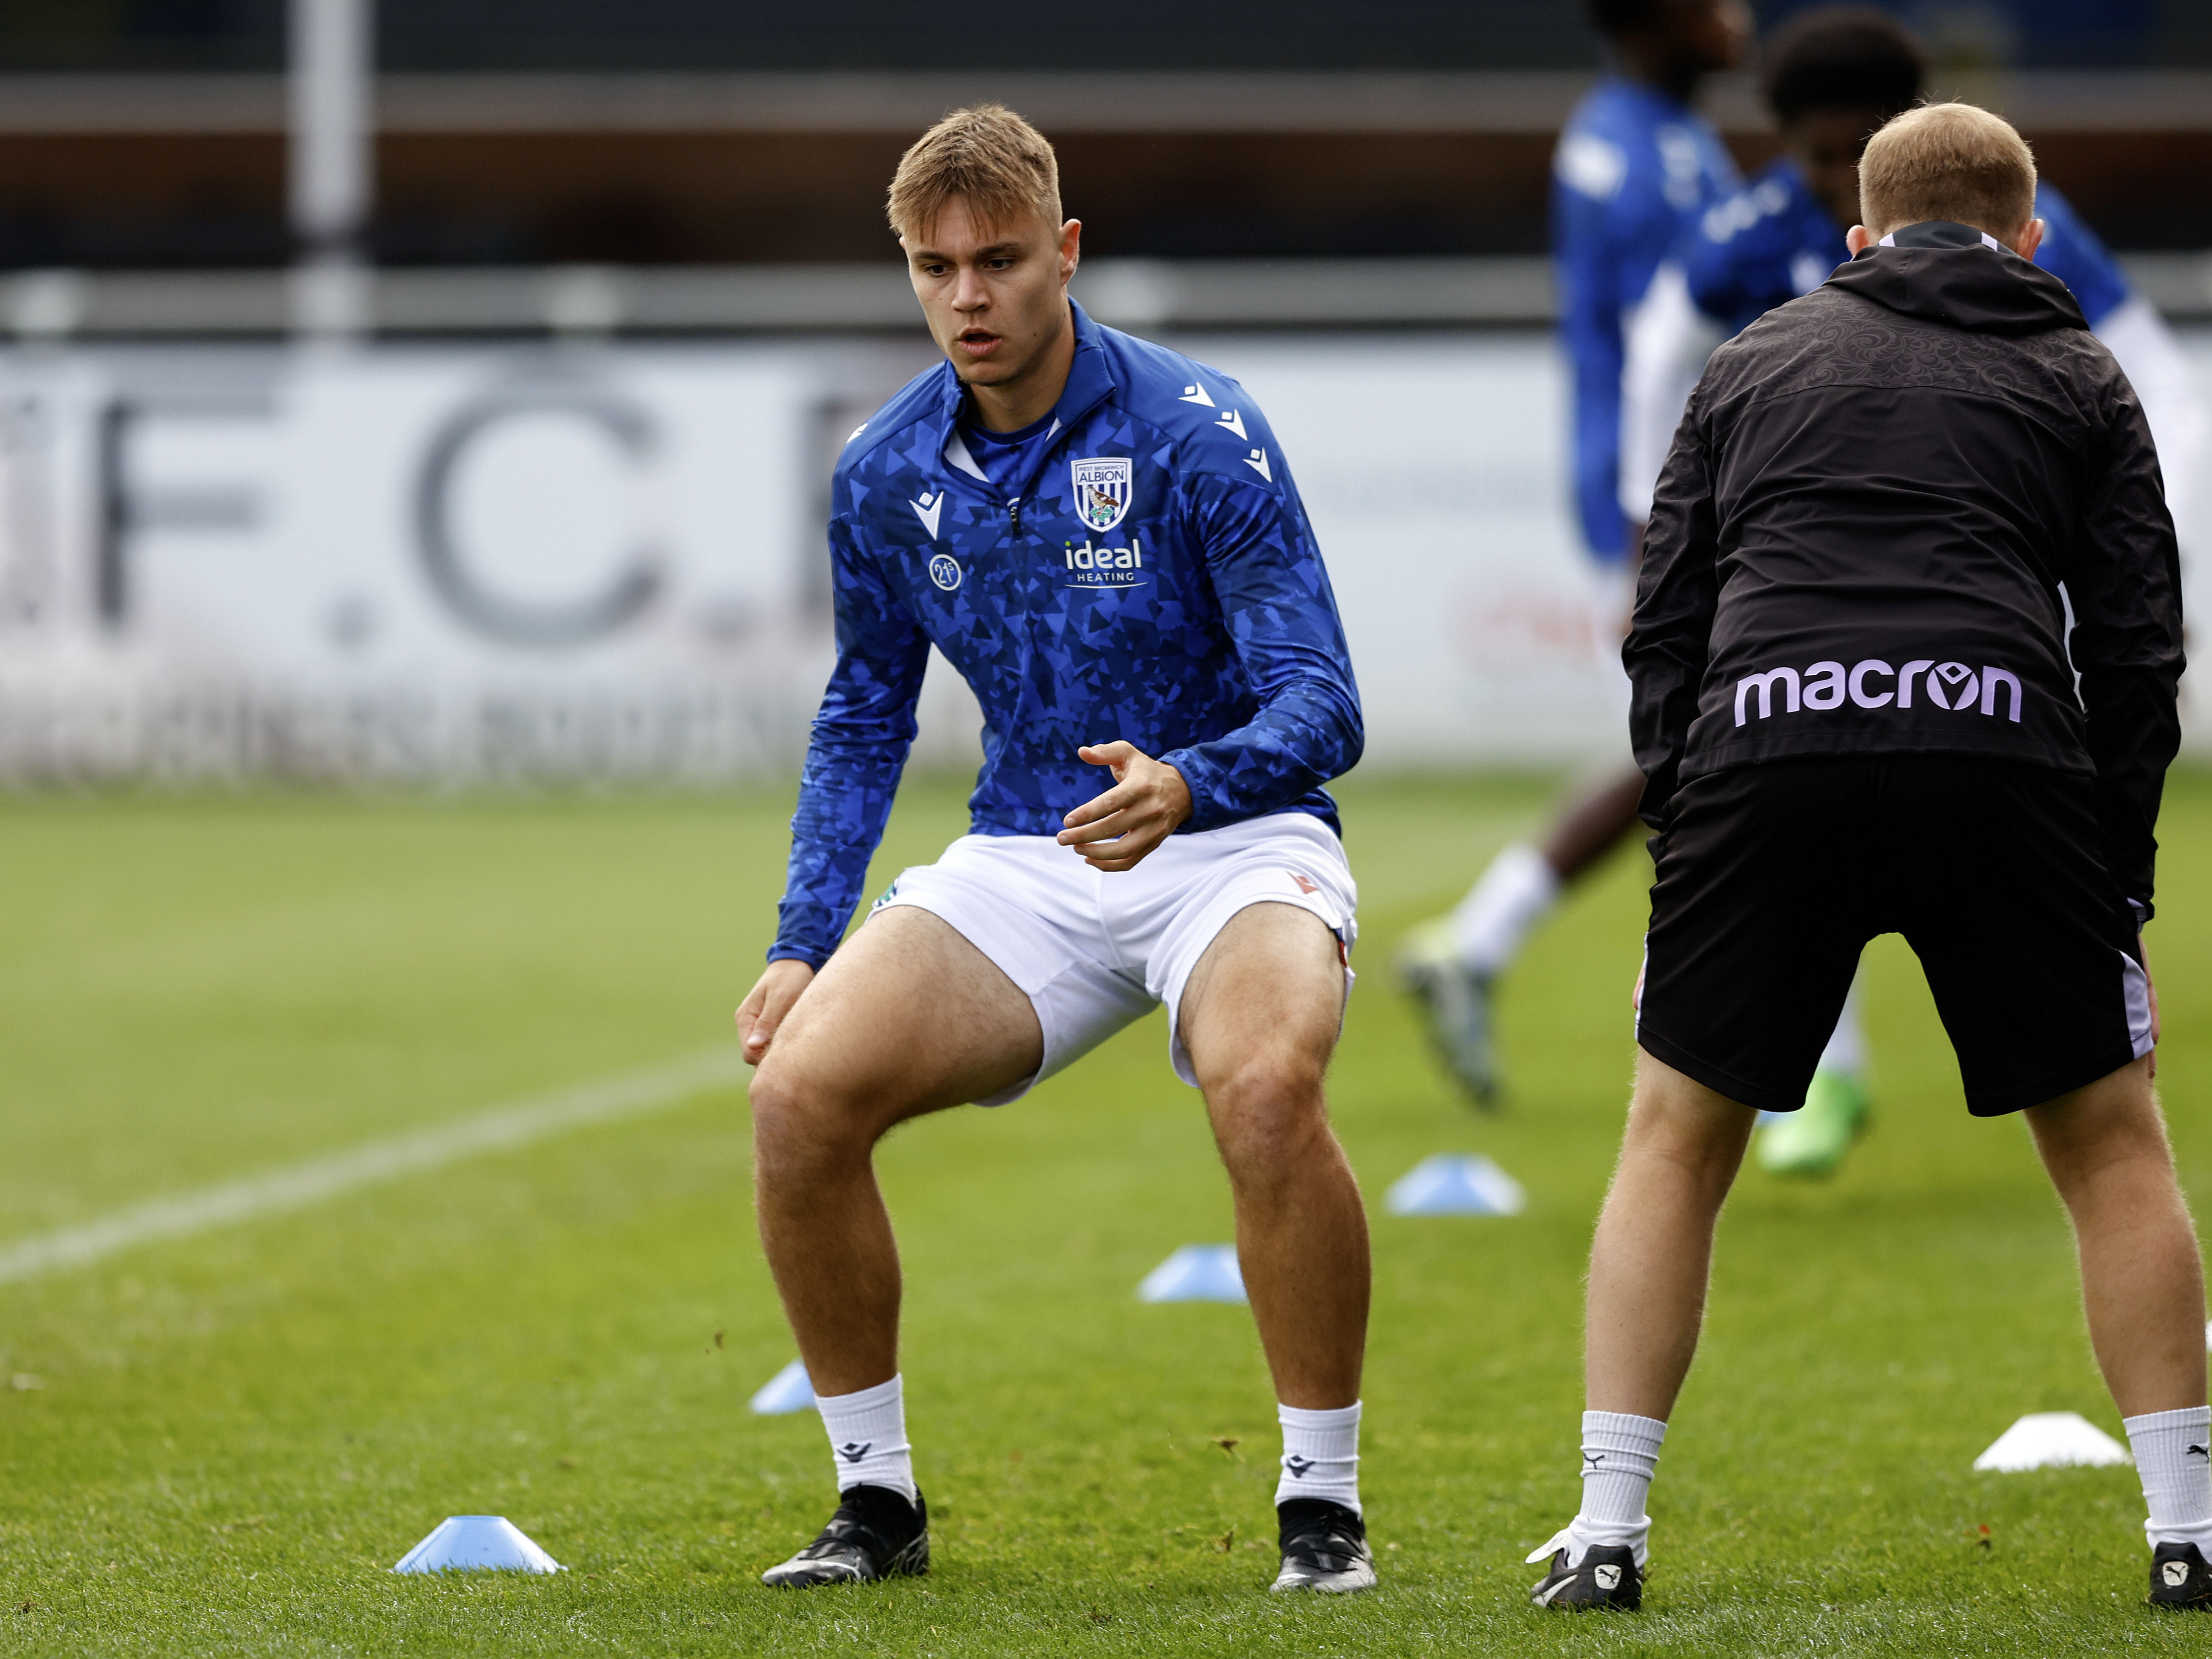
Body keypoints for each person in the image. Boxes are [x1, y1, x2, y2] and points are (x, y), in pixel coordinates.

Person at [1527, 102, 2204, 1612]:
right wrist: (2118, 875)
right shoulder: (2078, 368)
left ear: (1854, 236)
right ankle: (2187, 1535)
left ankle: (1604, 1536)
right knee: (2106, 1143)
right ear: (2028, 240)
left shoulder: (1749, 359)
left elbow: (1663, 623)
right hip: (2002, 752)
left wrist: (1686, 816)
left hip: (1767, 754)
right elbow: (2139, 650)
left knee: (1671, 1140)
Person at [737, 105, 1375, 1596]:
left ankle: (1320, 1509)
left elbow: (1324, 702)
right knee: (796, 1101)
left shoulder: (1196, 431)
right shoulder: (882, 473)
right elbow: (861, 717)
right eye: (932, 267)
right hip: (1028, 855)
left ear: (1065, 252)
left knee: (1266, 1087)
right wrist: (796, 938)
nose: (967, 296)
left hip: (1232, 836)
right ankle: (872, 1503)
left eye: (1000, 259)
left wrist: (1190, 779)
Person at [1613, 6, 2210, 1177]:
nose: (1844, 169)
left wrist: (2154, 546)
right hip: (1800, 589)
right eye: (1822, 151)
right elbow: (1651, 359)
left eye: (1863, 144)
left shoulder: (2031, 252)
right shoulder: (1738, 241)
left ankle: (1815, 1064)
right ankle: (1821, 1066)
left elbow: (2164, 382)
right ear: (1788, 153)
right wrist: (1654, 529)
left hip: (1923, 628)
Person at [1399, 0, 1747, 1107]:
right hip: (1662, 489)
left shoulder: (1669, 137)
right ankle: (1793, 1060)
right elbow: (1671, 342)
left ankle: (1478, 941)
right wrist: (1654, 511)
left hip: (1696, 481)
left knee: (1701, 744)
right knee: (1724, 745)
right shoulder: (1630, 154)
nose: (1737, 17)